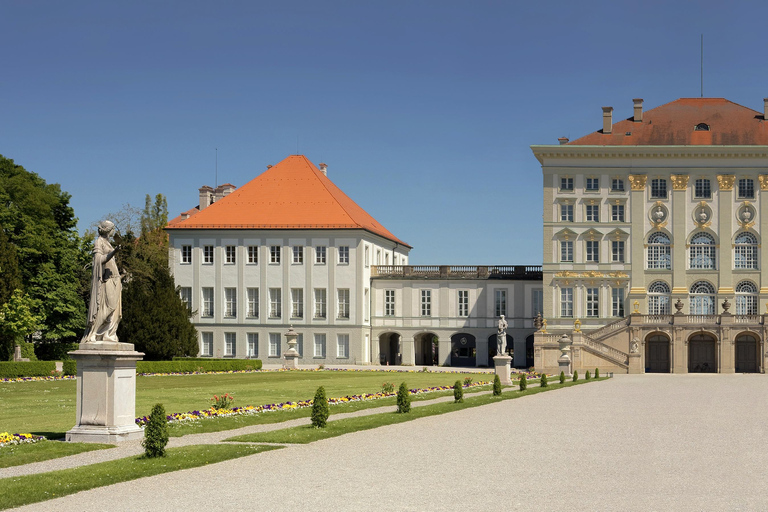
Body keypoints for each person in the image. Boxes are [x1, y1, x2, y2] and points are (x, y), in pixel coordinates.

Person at [83, 220, 122, 342]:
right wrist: (114, 252)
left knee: (115, 310)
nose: (113, 231)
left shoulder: (107, 243)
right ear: (108, 230)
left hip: (116, 279)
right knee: (107, 307)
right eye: (112, 229)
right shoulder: (99, 242)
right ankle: (94, 333)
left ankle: (107, 334)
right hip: (107, 280)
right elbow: (99, 260)